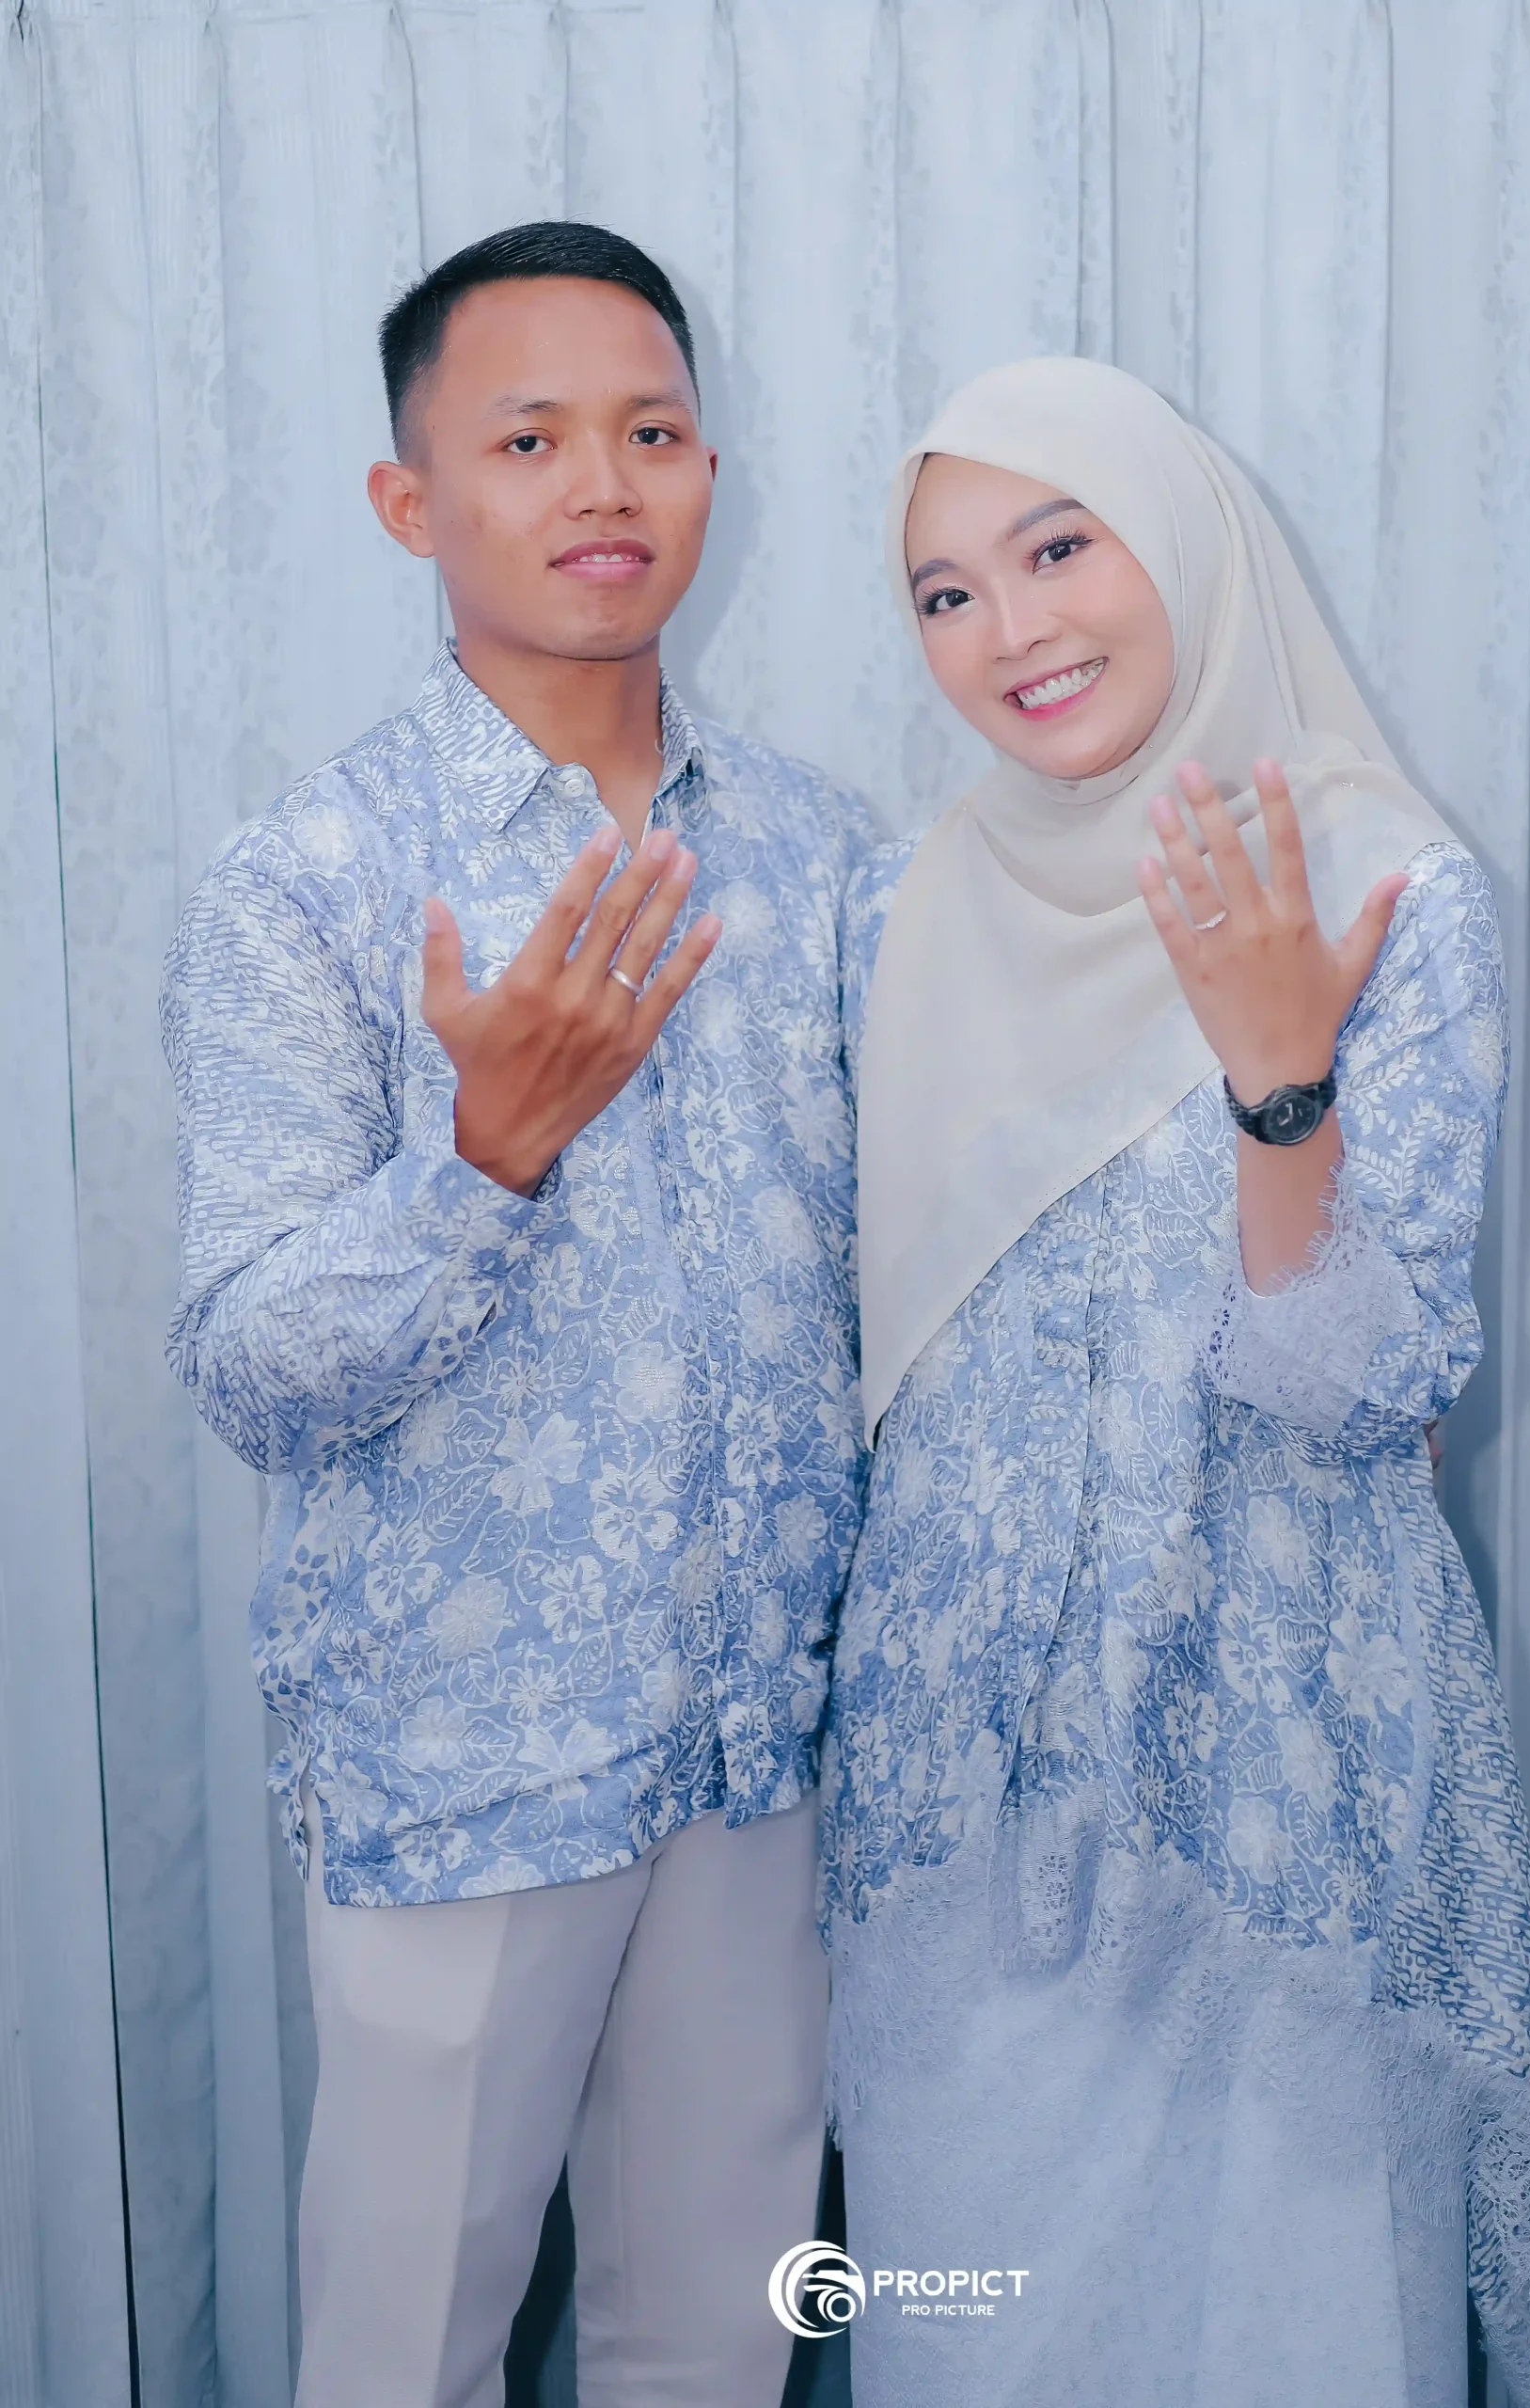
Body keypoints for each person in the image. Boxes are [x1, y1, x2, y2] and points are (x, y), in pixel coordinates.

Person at [820, 356, 1530, 2406]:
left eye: (1058, 548)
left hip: (1283, 1762)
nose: (1012, 630)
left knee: (1290, 2328)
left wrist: (1280, 1086)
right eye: (945, 593)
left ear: (1183, 545)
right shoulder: (904, 912)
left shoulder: (1381, 887)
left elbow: (1365, 1391)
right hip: (964, 1789)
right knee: (966, 2331)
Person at [162, 221, 871, 2408]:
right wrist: (482, 1160)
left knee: (719, 2340)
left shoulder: (828, 857)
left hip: (761, 1742)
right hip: (462, 1755)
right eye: (532, 437)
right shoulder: (314, 875)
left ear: (712, 474)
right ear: (413, 501)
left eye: (650, 431)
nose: (603, 483)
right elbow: (251, 1363)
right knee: (404, 2354)